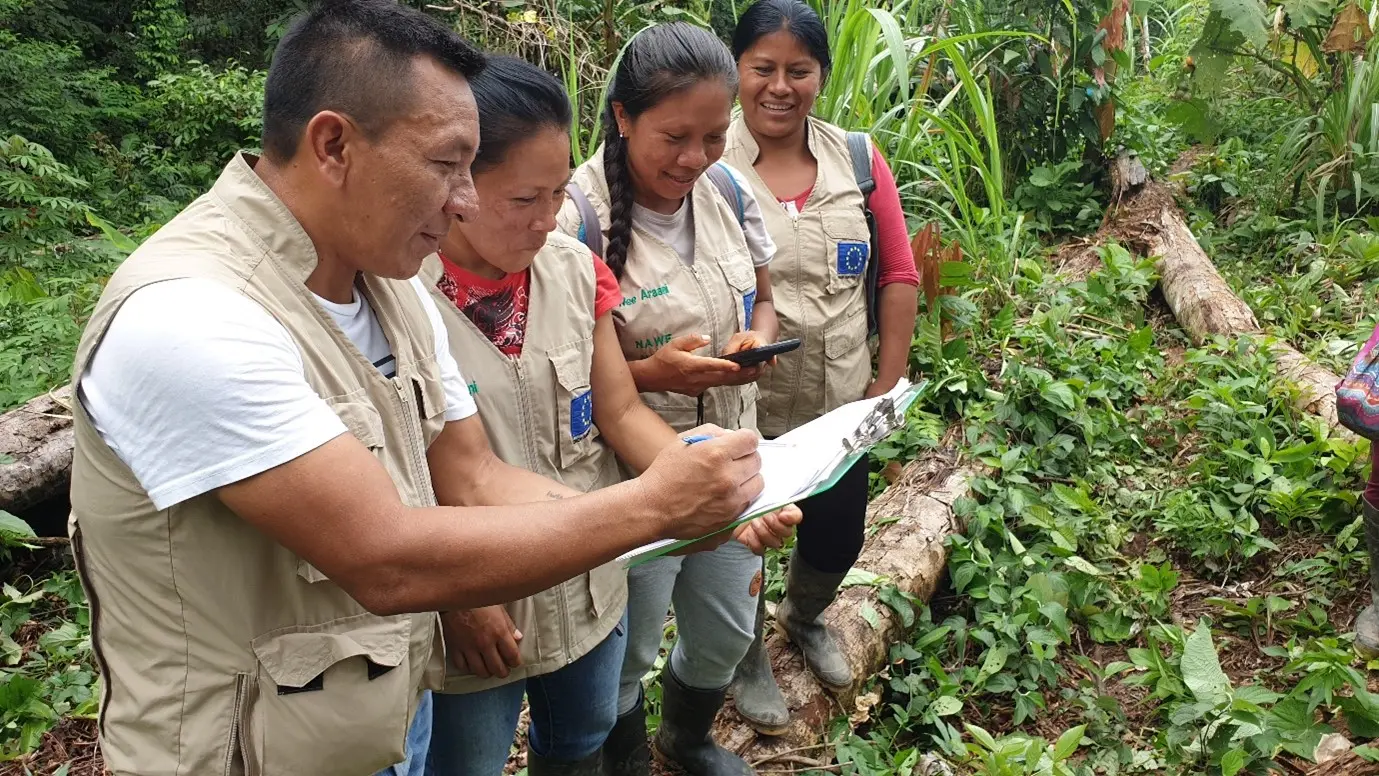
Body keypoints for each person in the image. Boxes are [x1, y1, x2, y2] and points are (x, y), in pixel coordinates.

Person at [64, 3, 795, 775]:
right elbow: (385, 558)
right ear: (334, 144)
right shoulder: (191, 315)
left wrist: (682, 516)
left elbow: (474, 476)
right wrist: (652, 508)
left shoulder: (389, 285)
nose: (465, 201)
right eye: (447, 165)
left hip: (379, 717)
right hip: (244, 753)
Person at [420, 55, 801, 776]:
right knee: (466, 757)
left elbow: (621, 412)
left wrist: (719, 504)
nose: (546, 220)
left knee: (582, 731)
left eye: (559, 192)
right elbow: (415, 470)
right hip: (474, 589)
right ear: (457, 183)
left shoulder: (569, 268)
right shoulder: (404, 292)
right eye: (524, 199)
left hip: (589, 578)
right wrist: (455, 603)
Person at [555, 22, 782, 776]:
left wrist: (752, 337)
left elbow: (764, 299)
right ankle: (620, 757)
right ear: (622, 117)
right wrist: (655, 374)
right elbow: (562, 377)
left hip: (730, 460)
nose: (694, 159)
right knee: (630, 644)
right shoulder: (572, 217)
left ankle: (686, 738)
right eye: (674, 137)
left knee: (723, 627)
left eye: (715, 136)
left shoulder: (725, 189)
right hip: (632, 478)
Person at [721, 0, 921, 734]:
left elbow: (897, 274)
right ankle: (743, 654)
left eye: (797, 71)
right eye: (761, 69)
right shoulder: (708, 167)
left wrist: (884, 385)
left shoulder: (858, 161)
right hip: (744, 411)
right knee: (741, 547)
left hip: (840, 408)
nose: (779, 86)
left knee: (836, 539)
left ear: (821, 76)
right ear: (735, 71)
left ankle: (801, 615)